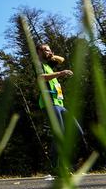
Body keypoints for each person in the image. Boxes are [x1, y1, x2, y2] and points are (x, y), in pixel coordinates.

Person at [36, 44, 86, 178]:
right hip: (49, 103)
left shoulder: (49, 65)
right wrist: (61, 73)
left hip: (60, 104)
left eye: (50, 49)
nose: (50, 51)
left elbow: (62, 59)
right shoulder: (38, 64)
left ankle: (73, 165)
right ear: (39, 52)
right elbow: (41, 78)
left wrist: (51, 54)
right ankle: (57, 167)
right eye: (46, 49)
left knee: (78, 131)